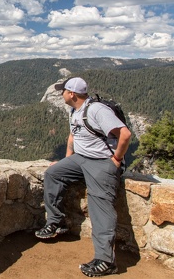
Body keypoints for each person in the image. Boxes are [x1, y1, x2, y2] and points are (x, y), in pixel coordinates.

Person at [35, 77, 132, 277]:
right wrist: (66, 161)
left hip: (102, 163)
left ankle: (106, 261)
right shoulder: (74, 111)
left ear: (72, 94)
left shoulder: (96, 110)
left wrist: (115, 160)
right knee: (53, 174)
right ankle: (57, 222)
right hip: (81, 159)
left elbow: (125, 134)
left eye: (63, 90)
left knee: (99, 206)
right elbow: (73, 136)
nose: (61, 93)